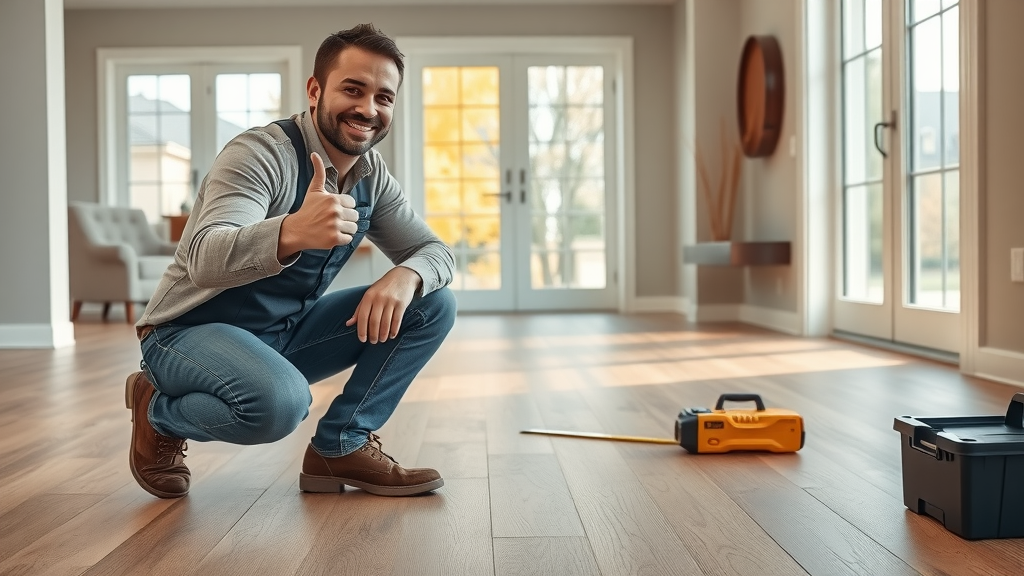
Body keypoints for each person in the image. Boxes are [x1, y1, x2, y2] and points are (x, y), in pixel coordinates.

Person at [124, 23, 457, 499]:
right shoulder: (260, 153)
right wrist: (291, 231)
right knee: (280, 404)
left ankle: (341, 445)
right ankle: (158, 410)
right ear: (315, 90)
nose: (368, 108)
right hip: (186, 333)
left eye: (384, 97)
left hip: (279, 335)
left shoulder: (371, 176)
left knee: (433, 302)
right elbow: (203, 256)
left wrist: (406, 274)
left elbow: (437, 252)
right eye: (353, 90)